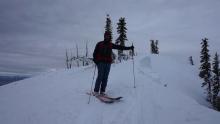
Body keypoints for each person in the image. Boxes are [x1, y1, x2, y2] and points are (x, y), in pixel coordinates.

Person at [93, 31, 134, 96]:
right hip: (100, 63)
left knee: (105, 77)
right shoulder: (99, 44)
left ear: (110, 37)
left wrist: (129, 48)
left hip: (108, 63)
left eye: (108, 36)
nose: (107, 37)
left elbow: (120, 47)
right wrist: (96, 61)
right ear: (104, 36)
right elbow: (94, 54)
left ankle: (103, 91)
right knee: (100, 76)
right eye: (106, 36)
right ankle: (96, 91)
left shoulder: (110, 44)